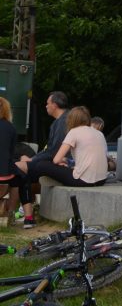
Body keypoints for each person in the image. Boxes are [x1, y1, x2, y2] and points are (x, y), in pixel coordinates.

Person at [21, 106, 108, 188]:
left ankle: (31, 189)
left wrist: (61, 163)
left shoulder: (74, 132)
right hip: (101, 180)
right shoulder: (99, 133)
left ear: (72, 119)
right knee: (60, 166)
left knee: (41, 165)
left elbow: (56, 160)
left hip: (83, 181)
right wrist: (65, 162)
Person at [0, 97, 35, 228]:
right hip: (5, 174)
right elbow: (9, 153)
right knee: (22, 178)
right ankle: (26, 218)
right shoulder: (11, 128)